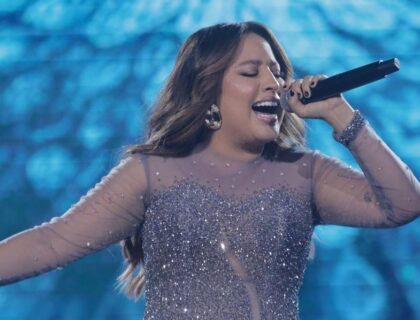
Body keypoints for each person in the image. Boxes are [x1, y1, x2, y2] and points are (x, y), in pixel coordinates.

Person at [0, 21, 419, 320]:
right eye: (251, 73)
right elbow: (54, 241)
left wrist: (339, 113)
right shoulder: (152, 173)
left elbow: (403, 206)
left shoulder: (305, 173)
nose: (273, 83)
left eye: (276, 71)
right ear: (209, 93)